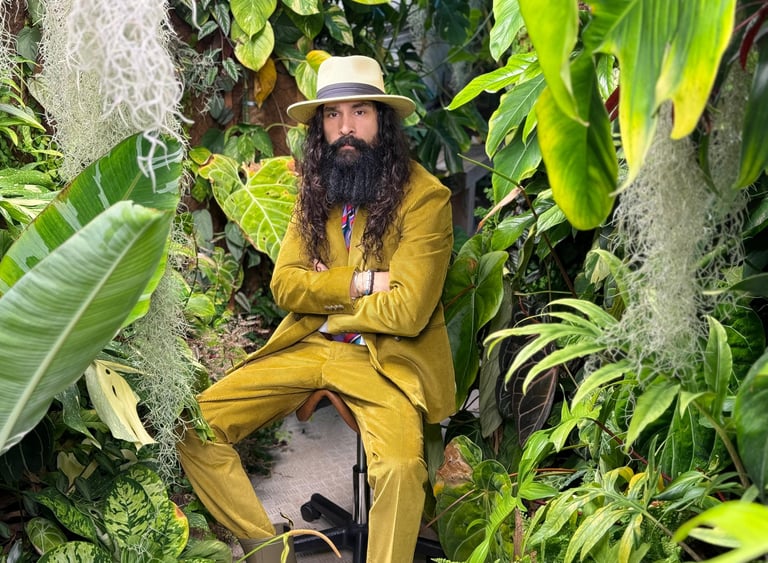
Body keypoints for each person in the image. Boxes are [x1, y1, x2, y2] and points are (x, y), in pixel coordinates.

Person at [178, 55, 456, 563]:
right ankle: (266, 549)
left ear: (383, 121)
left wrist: (326, 304)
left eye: (360, 112)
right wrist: (363, 282)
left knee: (399, 469)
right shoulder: (315, 189)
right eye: (332, 114)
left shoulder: (424, 198)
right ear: (321, 127)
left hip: (384, 359)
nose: (345, 127)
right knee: (193, 426)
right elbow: (286, 285)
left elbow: (409, 310)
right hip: (309, 347)